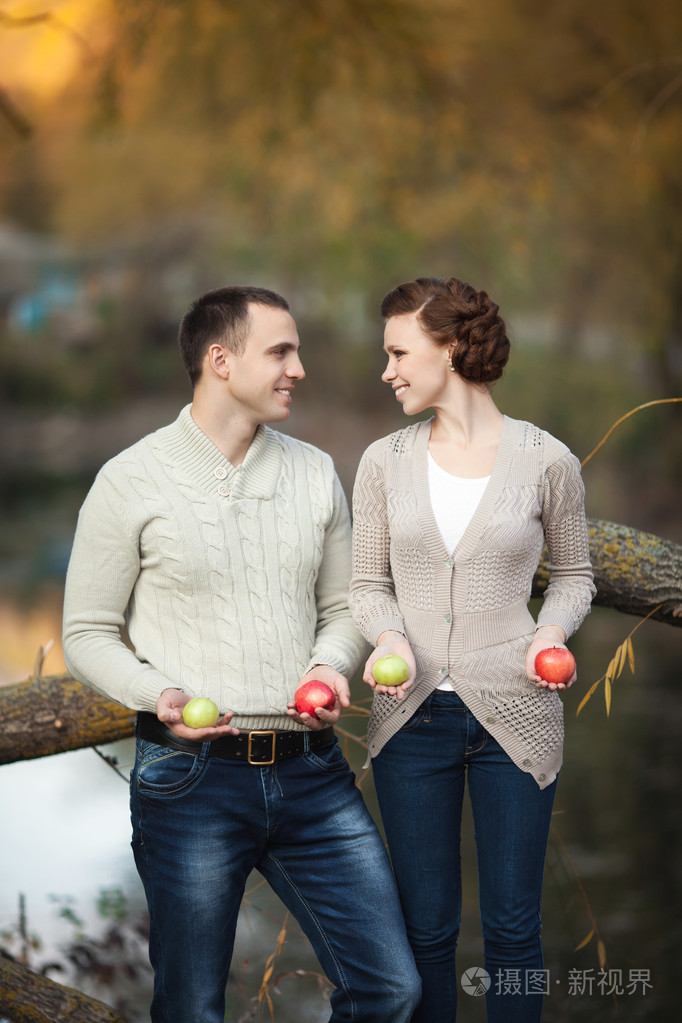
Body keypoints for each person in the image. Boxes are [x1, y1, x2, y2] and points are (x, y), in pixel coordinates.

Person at [62, 285, 421, 1023]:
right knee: (192, 1007)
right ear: (220, 360)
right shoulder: (129, 481)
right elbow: (88, 631)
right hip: (188, 781)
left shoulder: (315, 472)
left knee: (392, 990)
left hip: (313, 775)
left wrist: (329, 664)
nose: (299, 368)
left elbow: (343, 609)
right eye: (280, 351)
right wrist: (154, 693)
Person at [349, 276, 596, 1023]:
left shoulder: (547, 459)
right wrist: (388, 632)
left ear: (451, 346)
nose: (387, 369)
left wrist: (550, 631)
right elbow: (366, 582)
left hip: (518, 714)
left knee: (515, 930)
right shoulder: (382, 461)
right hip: (409, 715)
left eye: (399, 351)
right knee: (425, 931)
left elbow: (576, 575)